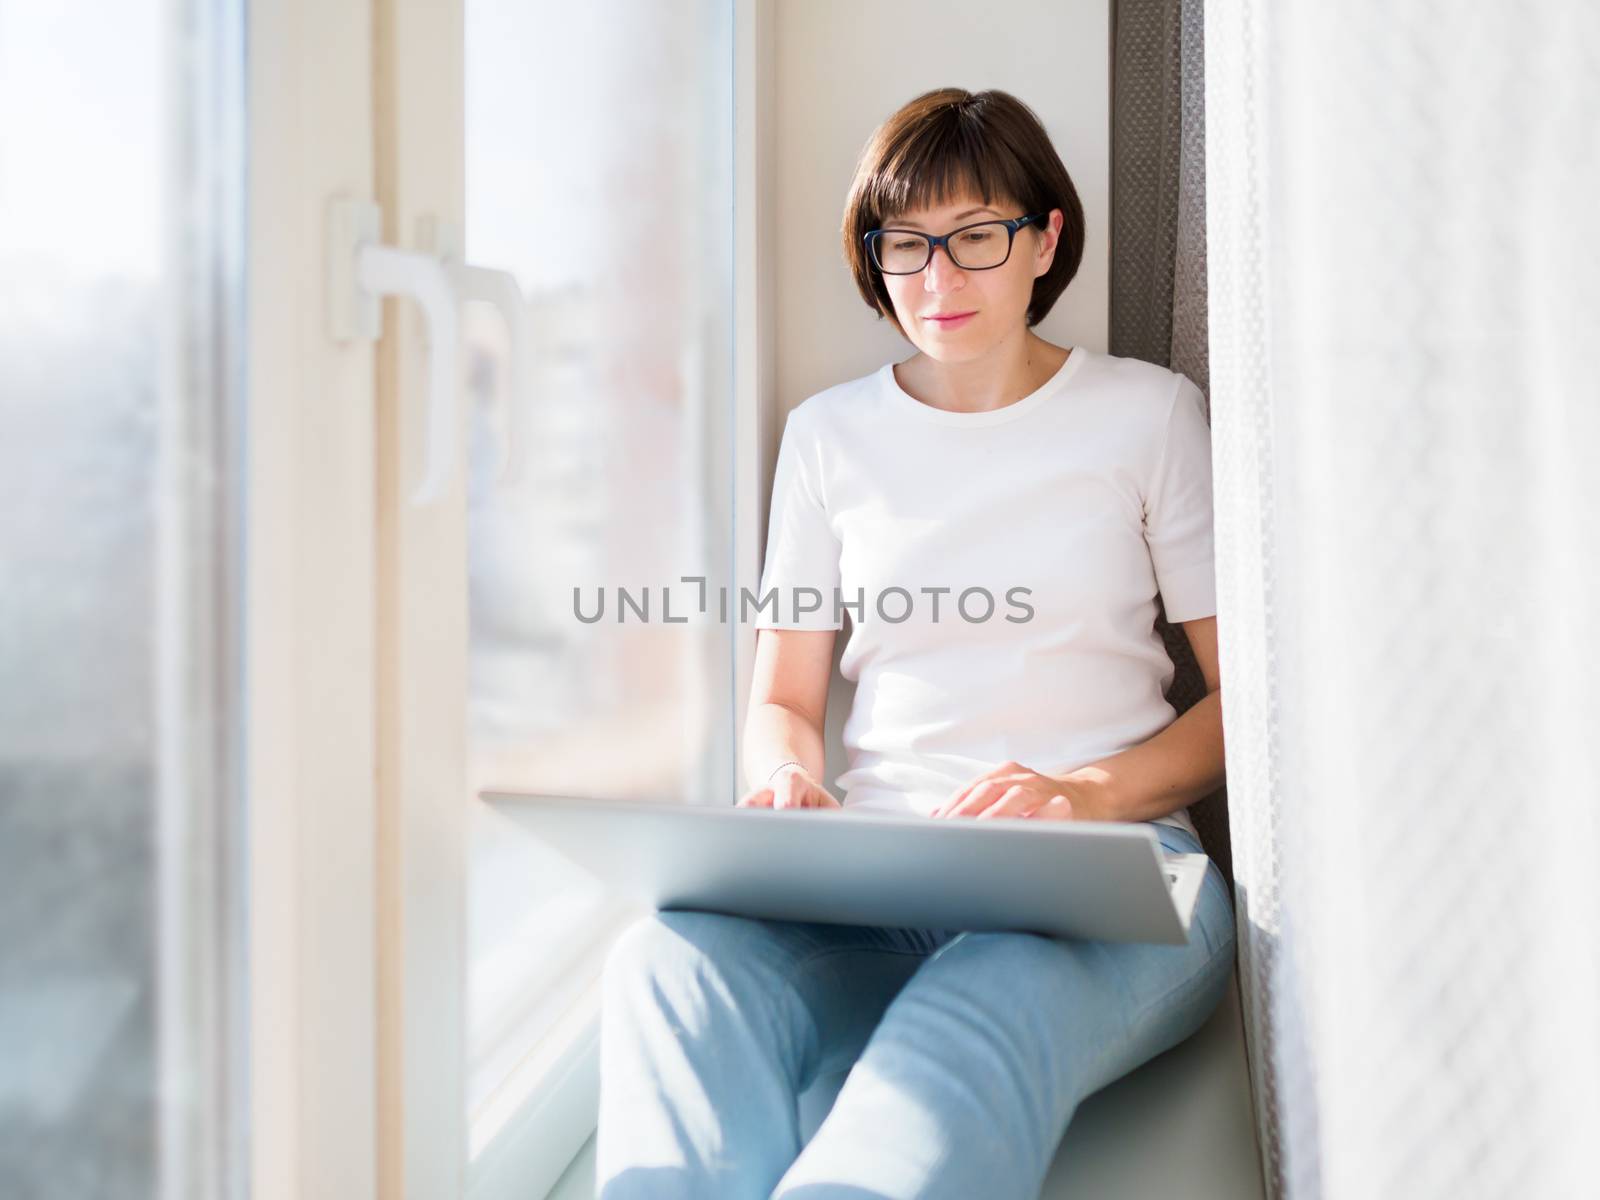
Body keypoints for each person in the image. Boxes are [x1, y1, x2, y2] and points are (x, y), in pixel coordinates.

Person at [594, 86, 1236, 1199]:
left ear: (1046, 240)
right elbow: (783, 703)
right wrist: (786, 785)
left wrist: (1081, 795)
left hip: (1116, 880)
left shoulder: (1149, 415)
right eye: (905, 245)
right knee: (667, 962)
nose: (935, 279)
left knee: (980, 1003)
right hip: (875, 884)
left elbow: (1247, 705)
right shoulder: (829, 437)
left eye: (975, 239)